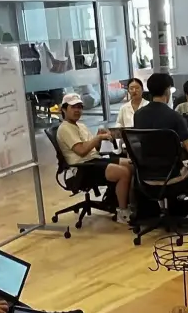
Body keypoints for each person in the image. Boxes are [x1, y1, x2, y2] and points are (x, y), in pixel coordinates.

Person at [133, 72, 188, 214]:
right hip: (171, 178)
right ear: (168, 90)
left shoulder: (138, 115)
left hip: (145, 178)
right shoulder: (174, 116)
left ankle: (162, 210)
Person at [58, 92, 136, 223]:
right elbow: (82, 151)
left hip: (94, 160)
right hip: (83, 168)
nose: (77, 110)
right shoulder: (64, 129)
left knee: (132, 164)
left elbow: (94, 150)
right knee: (123, 173)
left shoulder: (81, 126)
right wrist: (98, 138)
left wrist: (98, 138)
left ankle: (125, 202)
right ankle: (122, 212)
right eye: (73, 107)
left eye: (79, 107)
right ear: (64, 109)